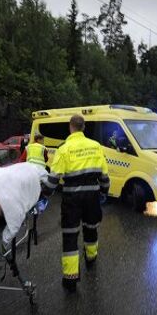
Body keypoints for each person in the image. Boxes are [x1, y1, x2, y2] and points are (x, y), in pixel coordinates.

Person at [43, 115, 110, 292]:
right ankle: (91, 257)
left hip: (72, 198)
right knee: (91, 228)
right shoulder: (96, 147)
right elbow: (104, 176)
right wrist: (104, 191)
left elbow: (53, 179)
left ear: (70, 127)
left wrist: (44, 194)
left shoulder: (64, 149)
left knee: (71, 235)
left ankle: (70, 279)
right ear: (84, 127)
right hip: (92, 196)